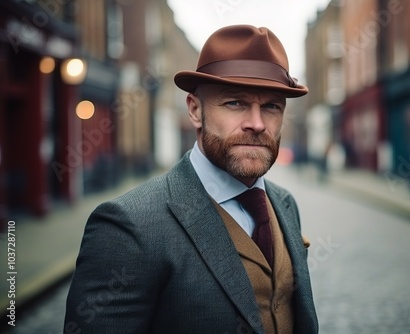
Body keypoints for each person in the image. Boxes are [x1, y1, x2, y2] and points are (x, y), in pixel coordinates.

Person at [64, 24, 318, 334]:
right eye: (234, 103)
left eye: (271, 106)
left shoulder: (285, 204)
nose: (256, 123)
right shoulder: (130, 226)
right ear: (195, 110)